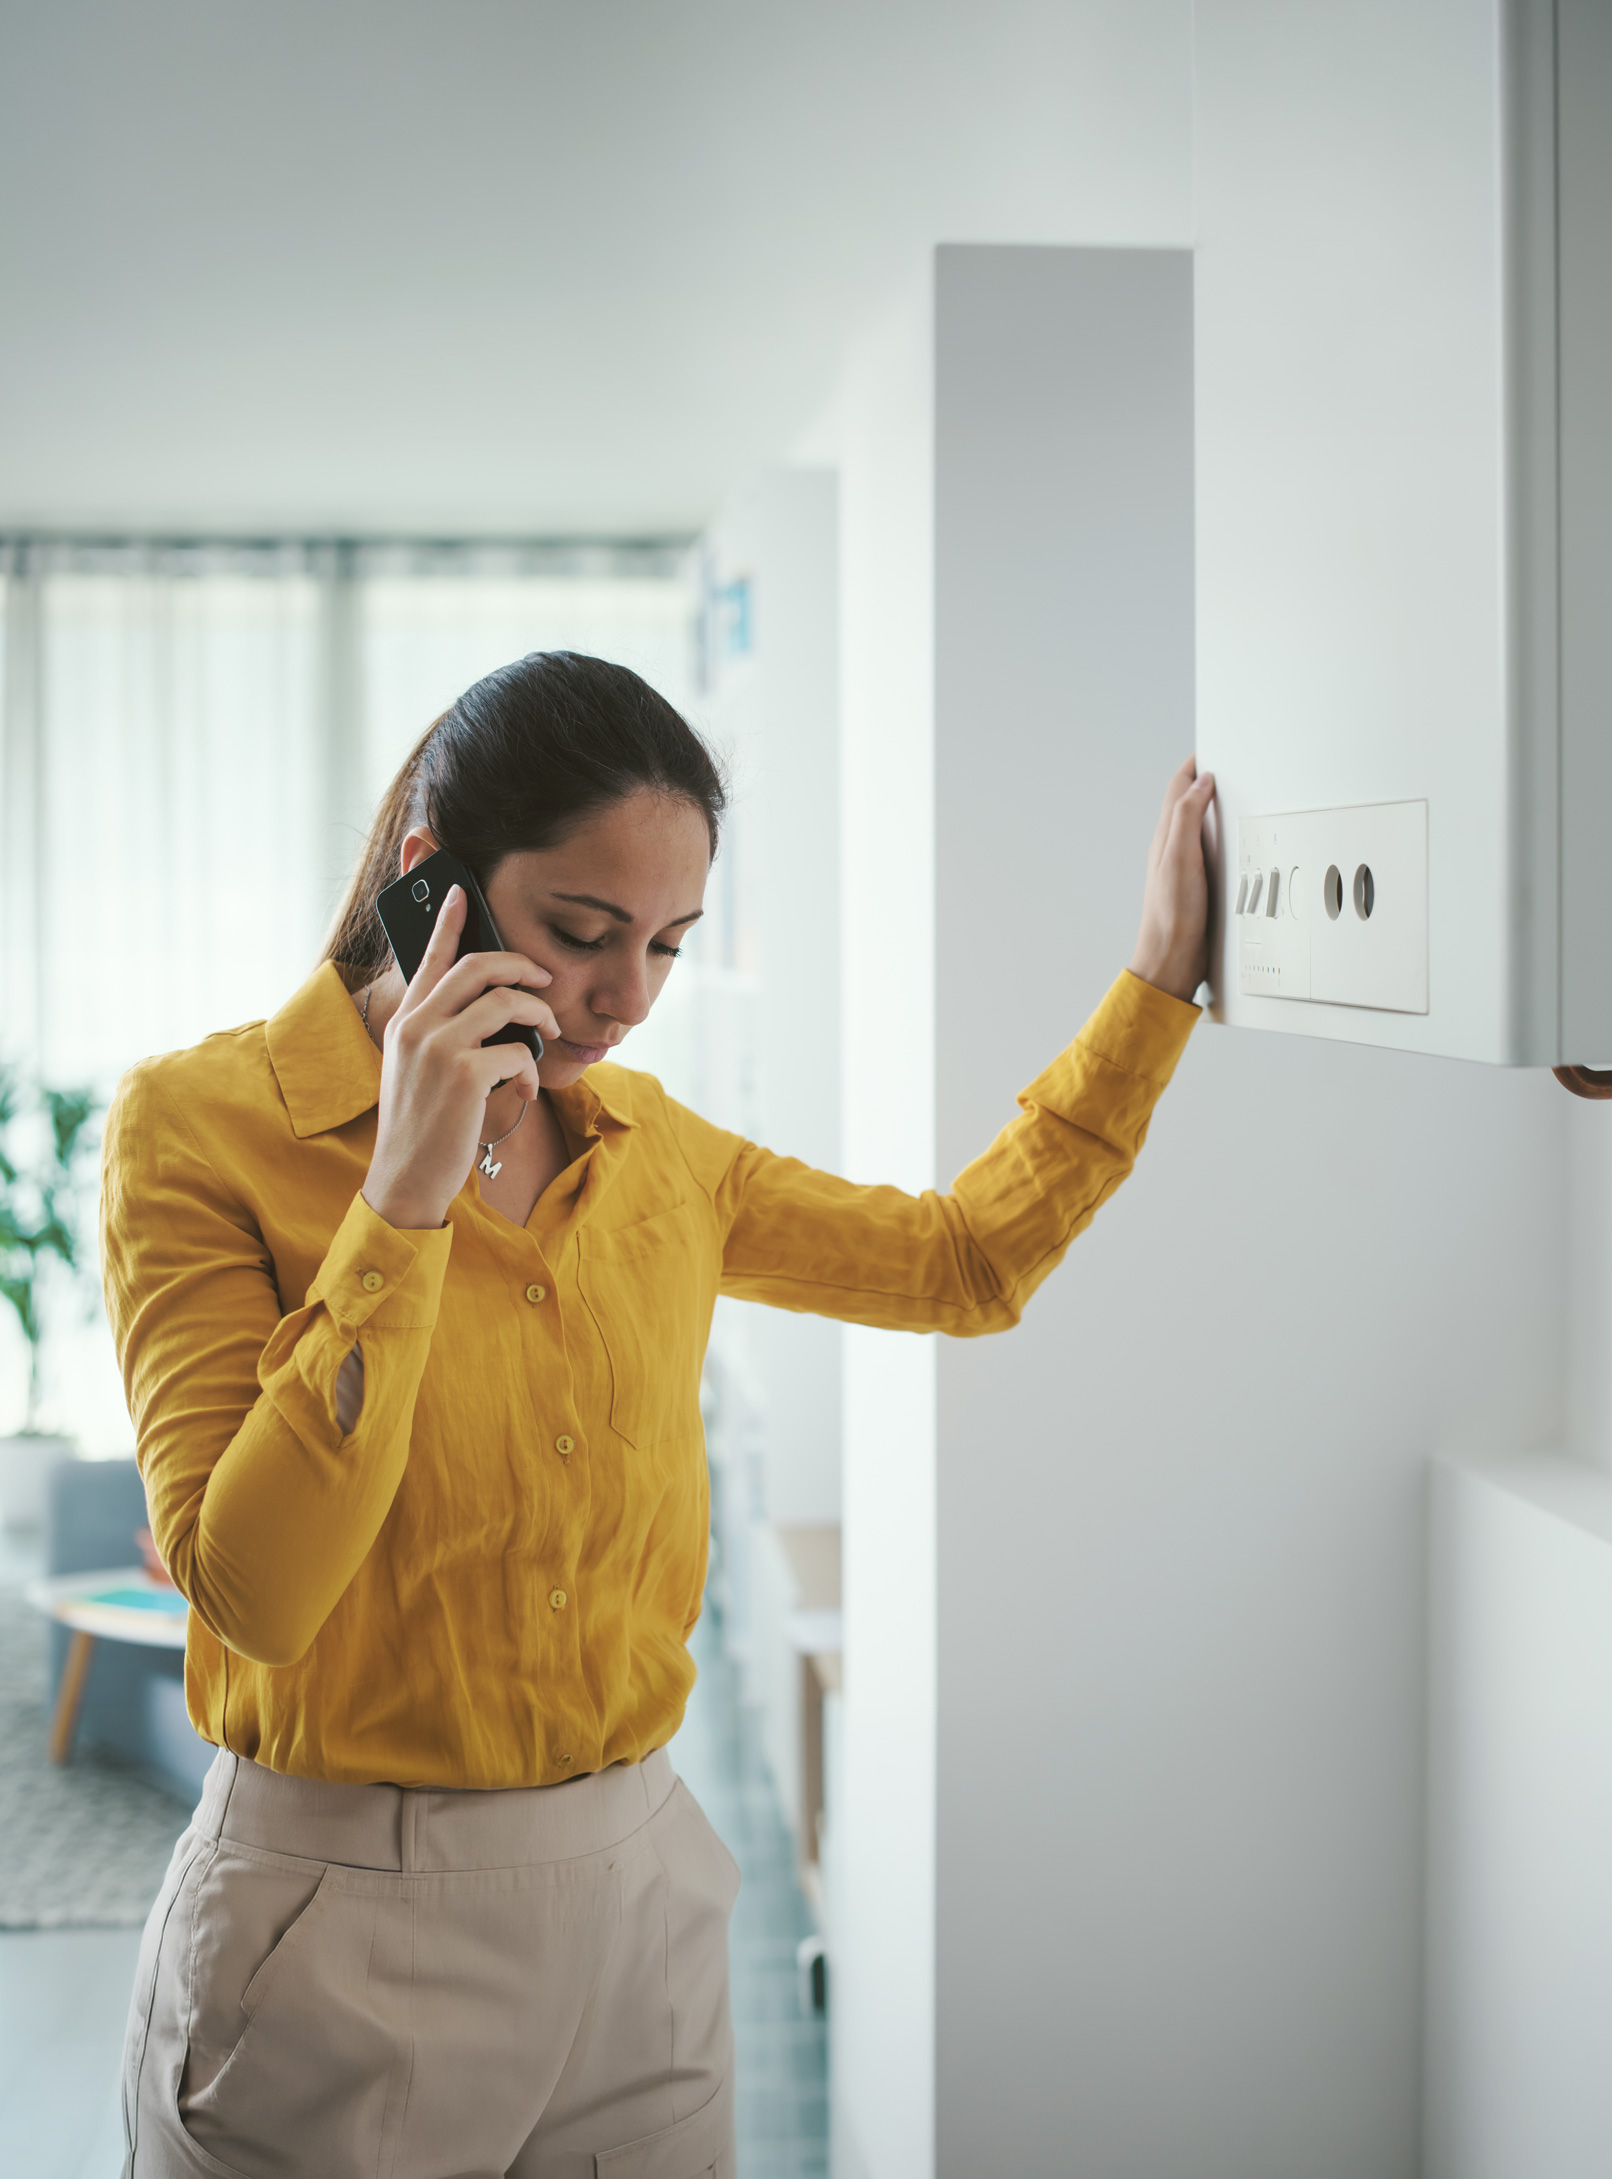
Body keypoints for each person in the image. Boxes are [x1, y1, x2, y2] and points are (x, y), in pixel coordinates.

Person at [101, 650, 1214, 2179]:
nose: (626, 1000)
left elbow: (964, 1263)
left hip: (640, 1918)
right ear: (438, 884)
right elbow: (258, 1593)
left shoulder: (653, 1151)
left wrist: (1157, 987)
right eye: (581, 933)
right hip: (334, 1936)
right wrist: (404, 1202)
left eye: (671, 947)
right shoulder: (198, 1129)